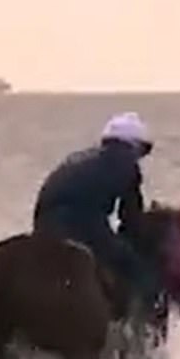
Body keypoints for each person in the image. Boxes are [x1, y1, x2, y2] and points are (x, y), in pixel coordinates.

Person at [32, 112, 157, 318]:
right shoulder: (127, 163)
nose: (140, 157)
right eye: (143, 151)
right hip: (83, 224)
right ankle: (140, 339)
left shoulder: (77, 158)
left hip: (43, 225)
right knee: (139, 271)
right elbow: (131, 220)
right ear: (134, 145)